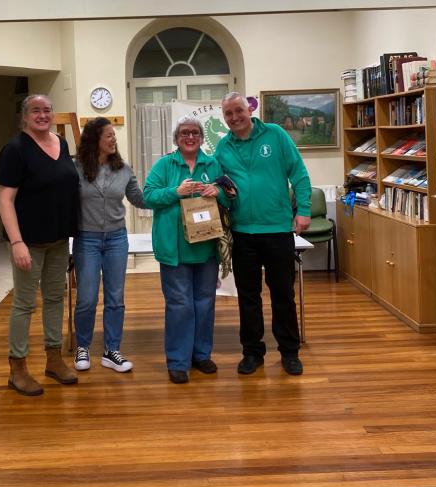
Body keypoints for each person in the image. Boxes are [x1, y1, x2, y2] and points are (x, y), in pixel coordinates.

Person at [215, 92, 311, 376]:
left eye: (238, 111)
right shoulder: (223, 147)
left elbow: (299, 173)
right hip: (242, 232)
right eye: (228, 114)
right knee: (248, 296)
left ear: (249, 109)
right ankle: (252, 352)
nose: (234, 117)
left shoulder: (275, 135)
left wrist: (304, 209)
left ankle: (289, 352)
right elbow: (220, 186)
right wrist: (221, 193)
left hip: (277, 230)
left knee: (283, 295)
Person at [0, 94, 80, 396]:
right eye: (36, 111)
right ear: (25, 116)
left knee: (55, 298)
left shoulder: (62, 144)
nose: (42, 115)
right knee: (24, 303)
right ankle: (17, 368)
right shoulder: (15, 150)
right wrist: (16, 242)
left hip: (58, 240)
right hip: (28, 241)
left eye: (47, 110)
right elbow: (5, 199)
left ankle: (54, 360)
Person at [144, 116, 231, 384]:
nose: (190, 137)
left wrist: (218, 192)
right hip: (175, 249)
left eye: (194, 132)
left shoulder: (212, 164)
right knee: (180, 305)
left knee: (205, 303)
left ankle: (201, 355)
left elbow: (229, 194)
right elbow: (148, 196)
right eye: (184, 133)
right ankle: (178, 361)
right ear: (176, 138)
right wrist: (176, 191)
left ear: (201, 137)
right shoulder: (164, 165)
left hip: (206, 247)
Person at [73, 117, 145, 373]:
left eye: (114, 135)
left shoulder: (123, 169)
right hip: (86, 239)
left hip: (116, 239)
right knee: (87, 298)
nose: (114, 139)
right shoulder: (76, 168)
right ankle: (83, 347)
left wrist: (169, 194)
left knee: (115, 298)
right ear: (95, 139)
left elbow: (139, 199)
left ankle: (111, 350)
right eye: (109, 135)